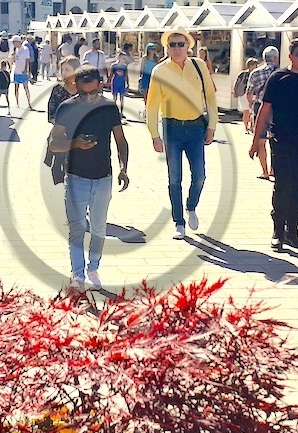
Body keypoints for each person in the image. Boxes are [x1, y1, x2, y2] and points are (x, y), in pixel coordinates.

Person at [50, 66, 129, 290]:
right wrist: (76, 144)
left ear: (101, 86)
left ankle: (93, 266)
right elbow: (54, 143)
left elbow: (120, 140)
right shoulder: (67, 108)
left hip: (103, 177)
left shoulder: (109, 108)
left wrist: (124, 168)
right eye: (82, 93)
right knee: (76, 228)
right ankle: (77, 273)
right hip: (75, 177)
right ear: (75, 86)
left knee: (98, 228)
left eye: (91, 93)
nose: (86, 98)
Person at [250, 39, 298, 250]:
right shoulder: (278, 78)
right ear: (290, 56)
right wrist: (256, 139)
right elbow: (265, 110)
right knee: (283, 184)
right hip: (281, 139)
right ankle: (278, 231)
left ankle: (292, 231)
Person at [146, 28, 218, 240]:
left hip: (196, 127)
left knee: (200, 175)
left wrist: (212, 125)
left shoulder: (199, 66)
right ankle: (179, 221)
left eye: (180, 44)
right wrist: (154, 135)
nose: (176, 48)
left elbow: (211, 97)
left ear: (188, 46)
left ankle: (191, 206)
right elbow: (152, 106)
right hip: (172, 128)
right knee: (174, 177)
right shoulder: (160, 71)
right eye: (172, 45)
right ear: (166, 48)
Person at [245, 46, 280, 181]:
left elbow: (249, 92)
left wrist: (251, 105)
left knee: (260, 138)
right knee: (275, 138)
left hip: (260, 106)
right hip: (278, 108)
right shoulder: (281, 73)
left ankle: (264, 170)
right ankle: (273, 169)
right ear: (276, 58)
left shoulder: (256, 73)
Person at [48, 56, 80, 121]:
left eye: (67, 70)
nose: (63, 73)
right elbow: (52, 114)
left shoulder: (84, 89)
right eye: (62, 69)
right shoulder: (57, 89)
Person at [234, 56, 257, 134]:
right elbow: (237, 83)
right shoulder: (243, 74)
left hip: (253, 94)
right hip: (243, 94)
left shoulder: (256, 74)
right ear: (250, 66)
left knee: (252, 111)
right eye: (255, 65)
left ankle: (251, 126)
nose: (256, 67)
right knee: (246, 111)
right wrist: (235, 91)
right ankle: (246, 127)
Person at [13, 39, 33, 109]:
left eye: (14, 42)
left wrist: (25, 69)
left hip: (23, 72)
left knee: (25, 87)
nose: (13, 44)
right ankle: (17, 103)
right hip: (17, 71)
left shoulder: (25, 49)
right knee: (16, 88)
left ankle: (29, 103)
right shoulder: (16, 50)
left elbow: (27, 60)